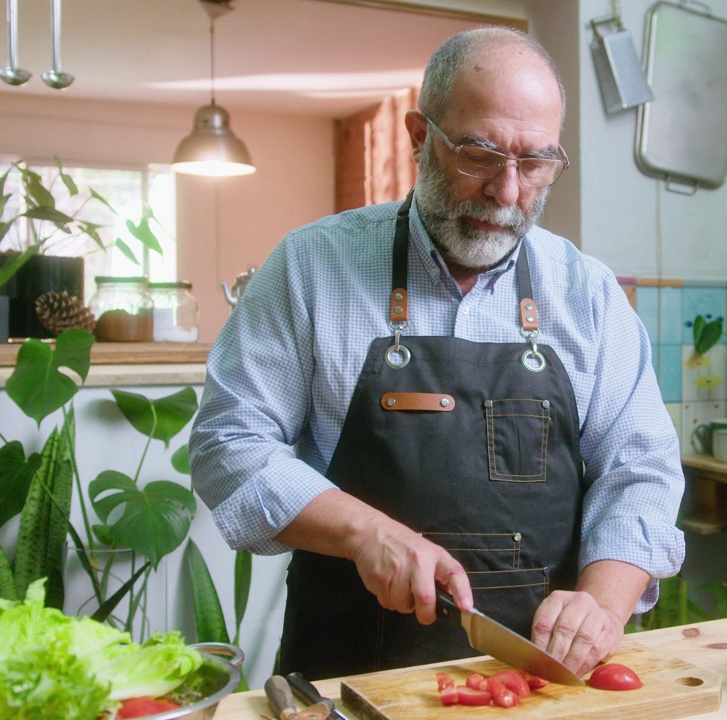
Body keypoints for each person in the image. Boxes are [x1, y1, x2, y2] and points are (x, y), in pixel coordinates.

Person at [190, 26, 685, 682]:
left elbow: (640, 472)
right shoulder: (312, 266)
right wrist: (364, 533)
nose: (508, 192)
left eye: (535, 163)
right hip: (350, 680)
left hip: (539, 684)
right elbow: (230, 444)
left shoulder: (587, 295)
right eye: (479, 155)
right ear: (420, 137)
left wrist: (600, 604)